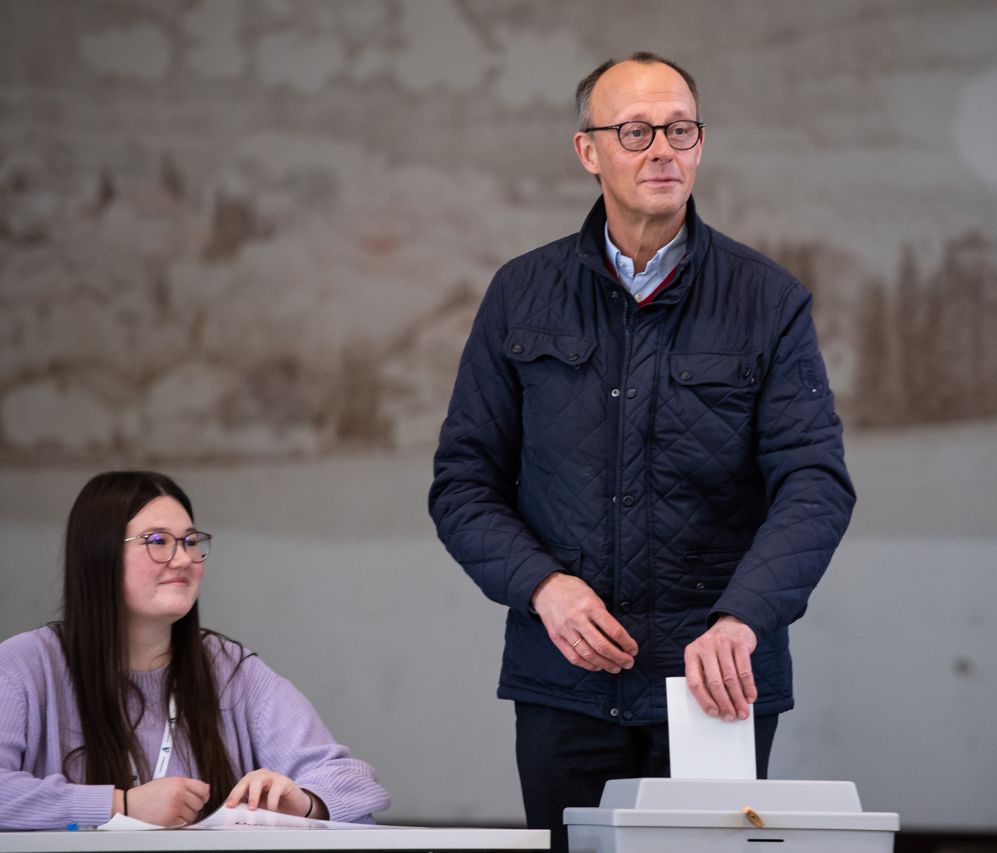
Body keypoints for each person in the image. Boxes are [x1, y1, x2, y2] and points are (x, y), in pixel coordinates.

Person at [429, 51, 854, 850]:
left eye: (681, 129)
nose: (663, 148)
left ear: (700, 144)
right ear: (588, 151)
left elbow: (815, 485)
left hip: (714, 684)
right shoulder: (522, 293)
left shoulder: (768, 301)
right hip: (565, 681)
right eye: (635, 131)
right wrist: (543, 586)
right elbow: (462, 483)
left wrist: (743, 619)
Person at [0, 470, 390, 830]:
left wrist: (304, 803)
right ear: (98, 555)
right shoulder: (25, 666)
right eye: (158, 541)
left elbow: (353, 785)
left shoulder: (230, 670)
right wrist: (121, 805)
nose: (184, 559)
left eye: (190, 541)